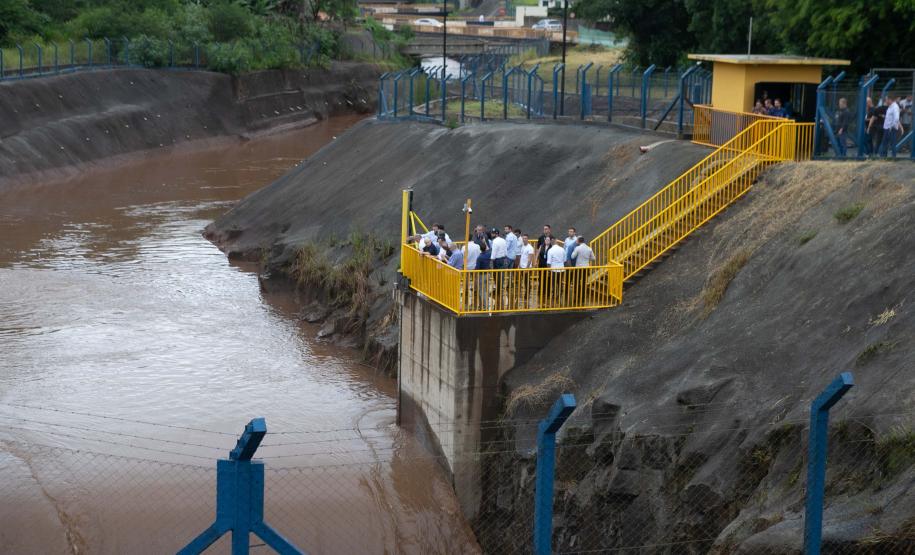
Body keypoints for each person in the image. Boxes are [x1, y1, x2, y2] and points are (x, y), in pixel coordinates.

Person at [546, 238, 566, 306]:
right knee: (560, 283)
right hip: (561, 269)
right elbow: (564, 260)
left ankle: (554, 295)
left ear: (551, 242)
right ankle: (559, 295)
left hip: (554, 269)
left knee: (554, 283)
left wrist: (548, 271)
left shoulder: (550, 250)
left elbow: (549, 262)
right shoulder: (562, 249)